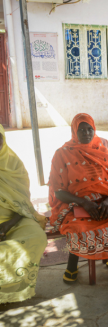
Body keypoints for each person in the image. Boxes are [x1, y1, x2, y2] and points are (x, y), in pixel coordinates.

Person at [49, 113, 108, 283]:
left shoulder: (101, 151)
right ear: (74, 131)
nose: (86, 133)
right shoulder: (62, 154)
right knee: (78, 230)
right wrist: (84, 203)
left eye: (90, 129)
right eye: (81, 130)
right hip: (75, 203)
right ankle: (72, 265)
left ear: (94, 129)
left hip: (104, 202)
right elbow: (58, 191)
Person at [0, 125, 47, 304]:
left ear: (4, 140)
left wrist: (9, 223)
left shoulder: (15, 165)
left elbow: (24, 203)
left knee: (37, 237)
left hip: (15, 219)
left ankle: (11, 290)